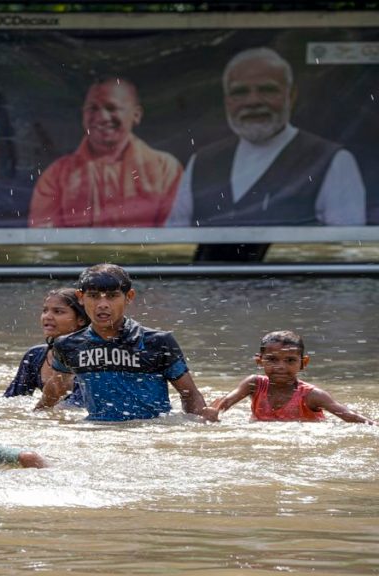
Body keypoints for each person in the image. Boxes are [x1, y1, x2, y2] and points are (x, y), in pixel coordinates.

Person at [166, 47, 366, 228]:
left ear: (292, 95)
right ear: (227, 101)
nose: (253, 101)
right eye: (240, 92)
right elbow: (174, 239)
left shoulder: (333, 161)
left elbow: (346, 248)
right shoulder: (201, 163)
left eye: (267, 90)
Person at [35, 264, 213, 422]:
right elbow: (57, 387)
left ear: (129, 296)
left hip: (151, 433)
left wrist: (203, 425)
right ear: (81, 297)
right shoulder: (68, 345)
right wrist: (36, 416)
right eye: (94, 296)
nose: (102, 304)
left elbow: (189, 395)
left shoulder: (157, 342)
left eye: (112, 296)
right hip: (96, 431)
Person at [28, 77, 182, 228]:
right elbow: (43, 238)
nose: (102, 117)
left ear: (136, 115)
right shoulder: (56, 175)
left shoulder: (166, 169)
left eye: (112, 108)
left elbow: (174, 237)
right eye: (93, 108)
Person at [202, 330, 374, 423]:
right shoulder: (254, 384)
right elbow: (225, 402)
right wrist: (214, 412)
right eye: (272, 359)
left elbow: (349, 416)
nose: (280, 367)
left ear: (303, 362)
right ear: (259, 361)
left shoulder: (312, 396)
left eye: (290, 360)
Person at [3, 288, 90, 405]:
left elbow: (77, 408)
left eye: (58, 312)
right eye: (45, 311)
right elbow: (10, 401)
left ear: (81, 319)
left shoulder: (91, 357)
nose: (47, 317)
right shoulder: (34, 356)